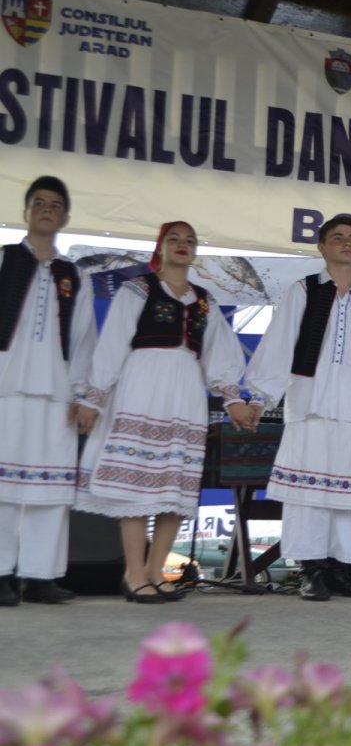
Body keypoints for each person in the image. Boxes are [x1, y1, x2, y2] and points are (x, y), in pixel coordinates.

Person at [76, 221, 253, 603]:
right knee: (137, 486)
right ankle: (134, 573)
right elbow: (111, 346)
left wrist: (232, 397)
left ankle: (156, 571)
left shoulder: (204, 300)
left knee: (175, 488)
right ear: (161, 247)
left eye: (190, 240)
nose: (183, 245)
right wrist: (94, 398)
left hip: (186, 392)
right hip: (141, 388)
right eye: (174, 239)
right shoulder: (137, 290)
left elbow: (221, 355)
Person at [244, 216, 351, 602]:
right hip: (311, 402)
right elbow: (279, 345)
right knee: (308, 493)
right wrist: (259, 398)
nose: (346, 244)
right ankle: (311, 570)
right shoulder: (305, 291)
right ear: (322, 246)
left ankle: (342, 567)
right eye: (338, 238)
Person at [0, 177, 97, 606]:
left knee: (51, 488)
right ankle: (0, 573)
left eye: (55, 205)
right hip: (6, 386)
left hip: (57, 391)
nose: (46, 209)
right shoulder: (3, 260)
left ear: (65, 217)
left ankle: (40, 576)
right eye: (38, 202)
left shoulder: (74, 275)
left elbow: (84, 339)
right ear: (25, 212)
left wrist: (83, 393)